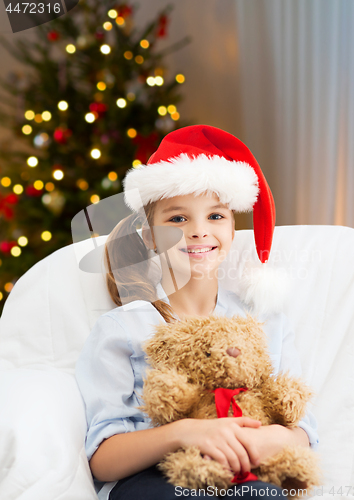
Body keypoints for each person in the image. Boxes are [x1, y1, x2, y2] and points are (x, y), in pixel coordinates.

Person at [75, 125, 319, 500]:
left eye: (216, 216)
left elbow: (303, 433)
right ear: (151, 237)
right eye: (177, 219)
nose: (199, 232)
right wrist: (187, 432)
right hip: (156, 482)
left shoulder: (264, 321)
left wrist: (269, 438)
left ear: (233, 229)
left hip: (247, 480)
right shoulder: (125, 327)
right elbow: (102, 459)